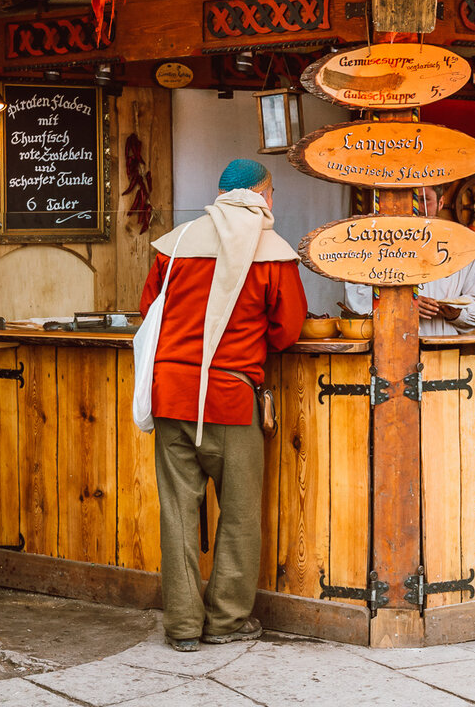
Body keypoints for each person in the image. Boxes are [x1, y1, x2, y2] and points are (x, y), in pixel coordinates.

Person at [139, 159, 307, 652]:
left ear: (220, 195)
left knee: (177, 514)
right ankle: (226, 621)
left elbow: (150, 310)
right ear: (264, 195)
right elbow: (288, 330)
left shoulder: (175, 244)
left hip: (171, 398)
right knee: (237, 518)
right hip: (233, 404)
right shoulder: (272, 253)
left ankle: (183, 627)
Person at [343, 186, 475, 335]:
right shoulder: (378, 244)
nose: (417, 206)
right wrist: (402, 304)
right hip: (391, 347)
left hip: (445, 350)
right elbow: (356, 297)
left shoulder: (465, 245)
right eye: (412, 199)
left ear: (441, 203)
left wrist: (457, 314)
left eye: (425, 199)